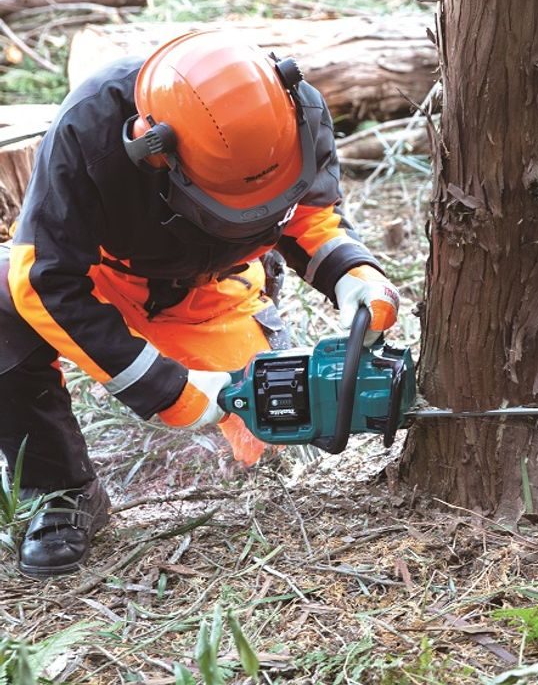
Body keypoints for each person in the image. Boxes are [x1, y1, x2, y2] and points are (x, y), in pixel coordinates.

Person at [0, 29, 400, 578]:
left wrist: (352, 273)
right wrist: (167, 388)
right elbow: (44, 280)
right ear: (154, 150)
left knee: (261, 435)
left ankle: (252, 359)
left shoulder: (293, 112)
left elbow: (310, 217)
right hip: (105, 281)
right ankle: (63, 492)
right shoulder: (89, 132)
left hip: (214, 291)